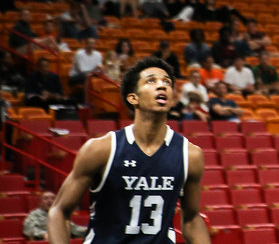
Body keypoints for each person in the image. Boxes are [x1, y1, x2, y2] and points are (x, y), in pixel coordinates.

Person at [47, 56, 210, 244]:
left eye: (167, 82)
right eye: (151, 81)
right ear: (133, 98)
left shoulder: (190, 155)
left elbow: (191, 219)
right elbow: (59, 211)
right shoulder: (101, 149)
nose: (162, 85)